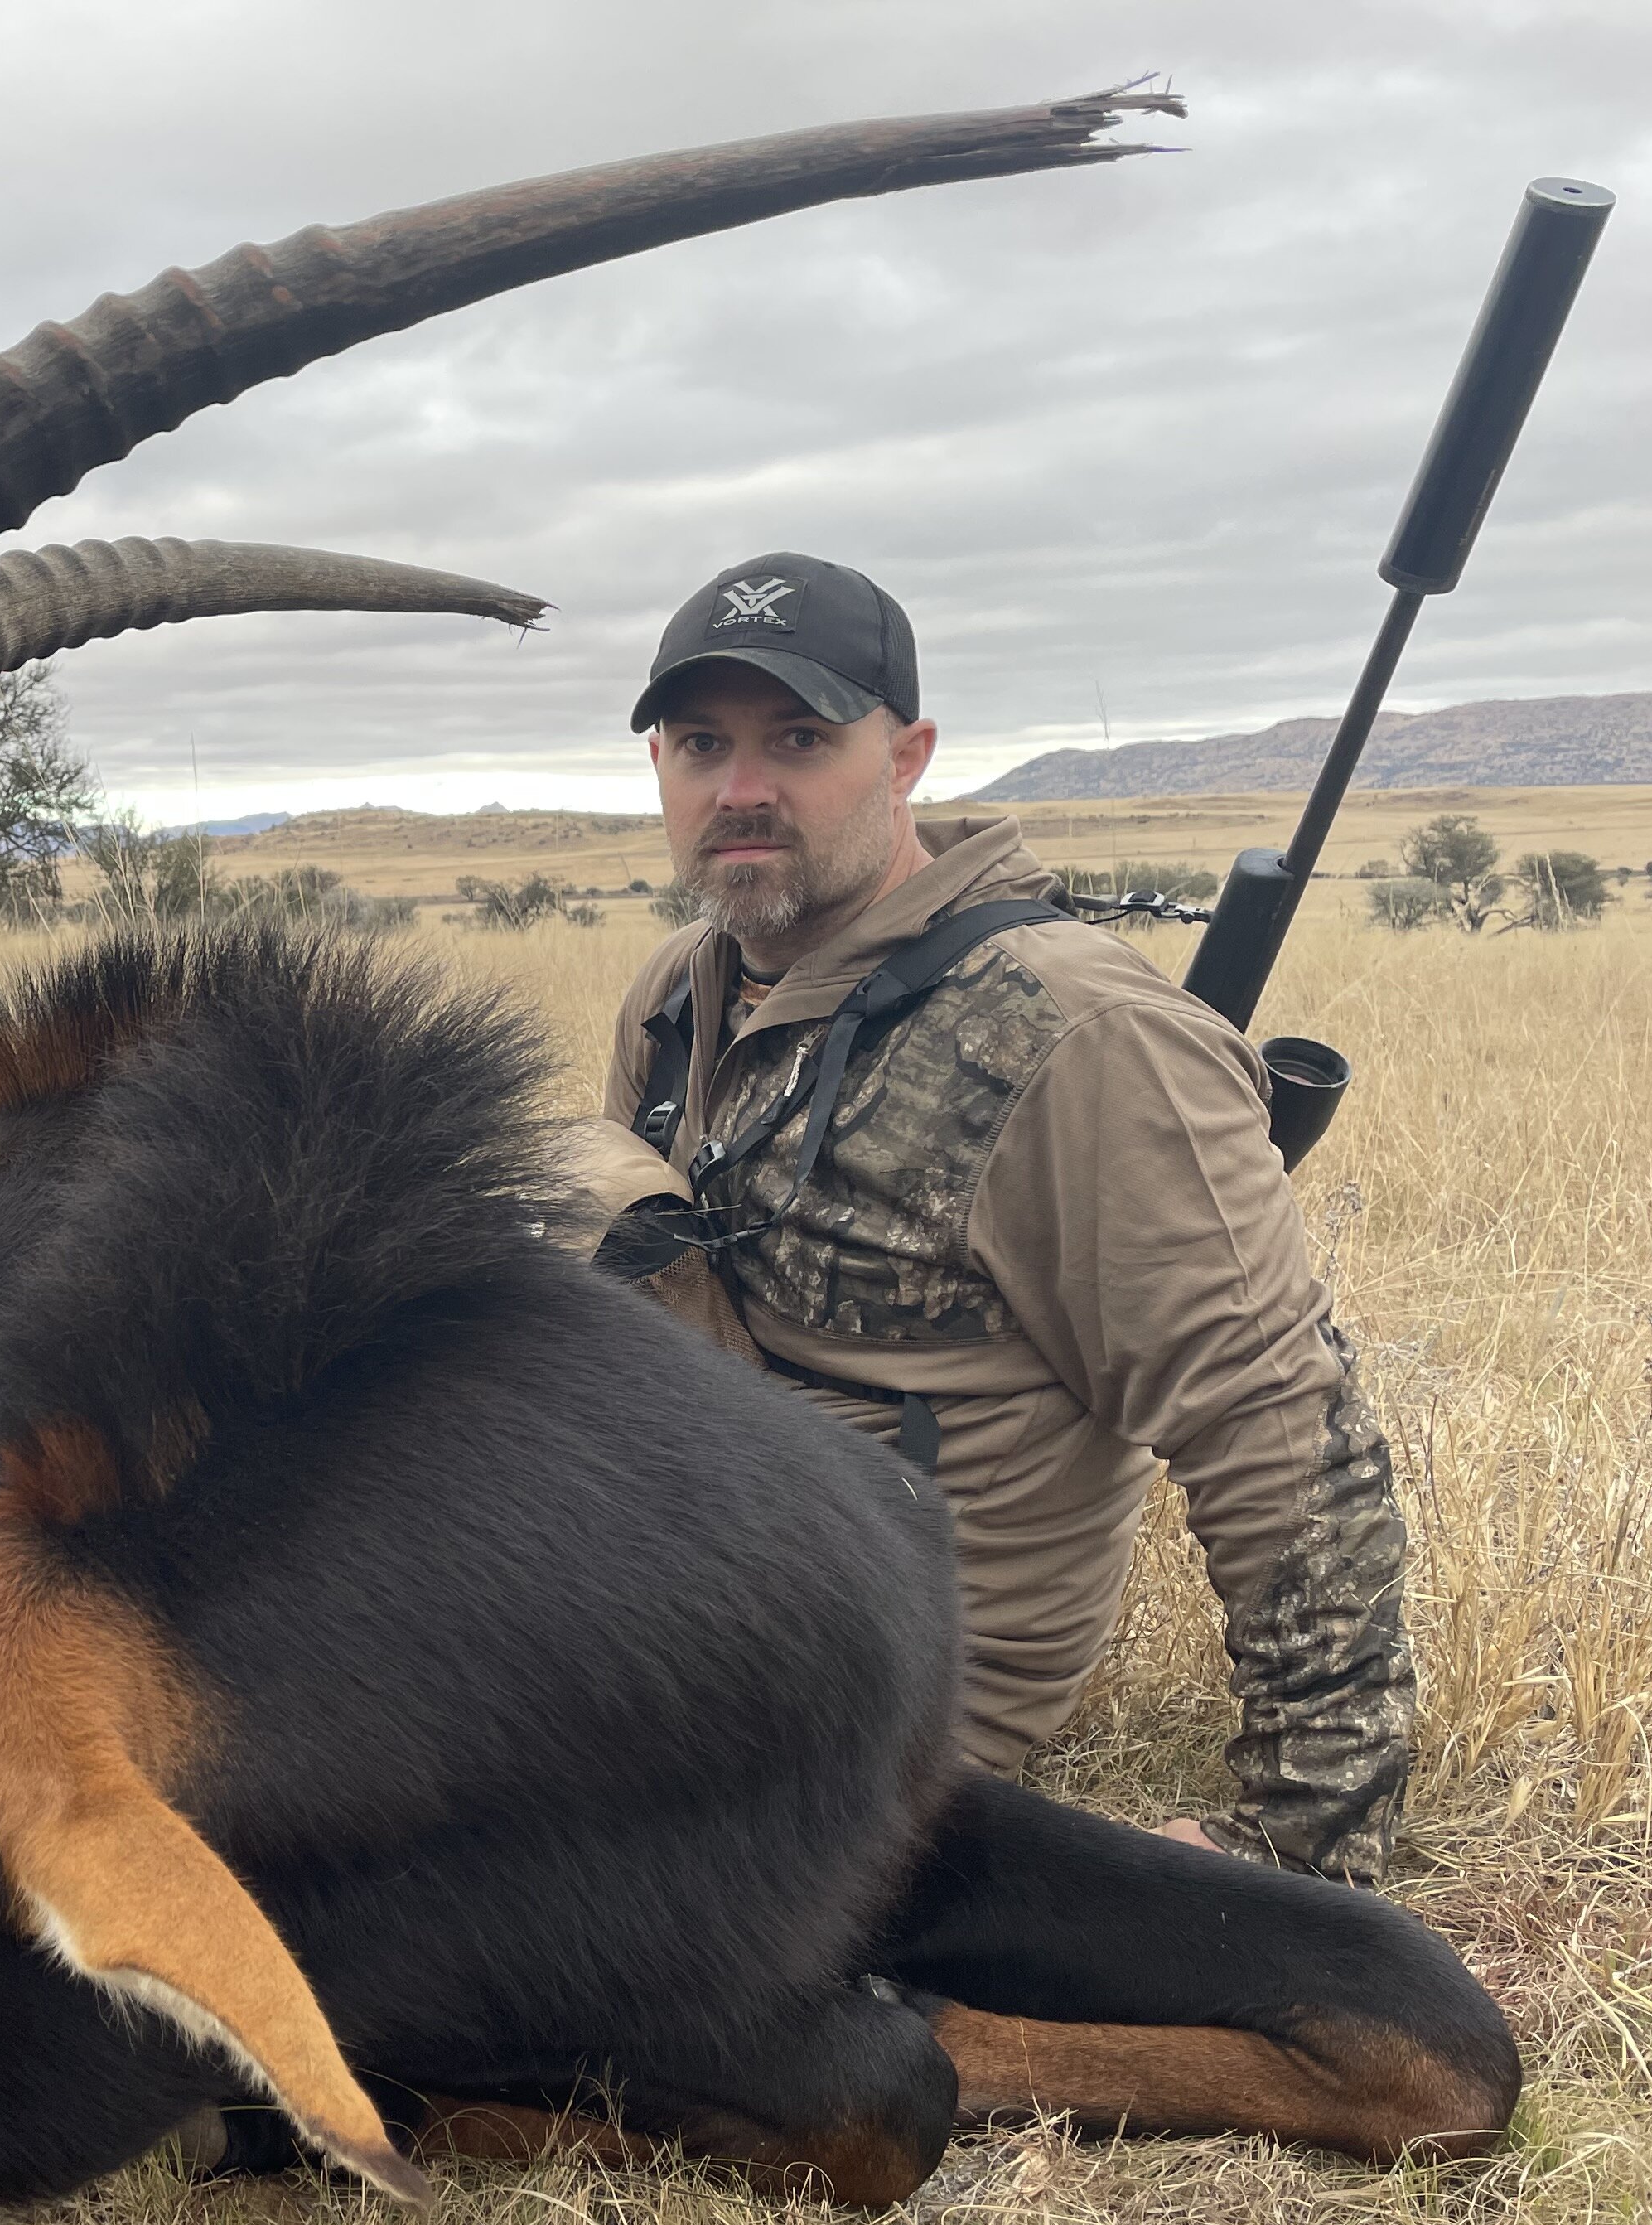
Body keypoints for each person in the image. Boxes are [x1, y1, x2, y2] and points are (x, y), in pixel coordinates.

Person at [589, 552, 1413, 1884]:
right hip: (690, 1572)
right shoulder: (684, 989)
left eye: (798, 739)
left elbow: (1280, 1431)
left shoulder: (1074, 1032)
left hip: (883, 1681)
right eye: (701, 744)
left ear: (906, 756)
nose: (741, 790)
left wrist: (1305, 1846)